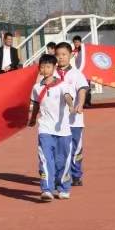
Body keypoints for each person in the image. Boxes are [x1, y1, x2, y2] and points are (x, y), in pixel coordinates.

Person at [28, 54, 75, 201]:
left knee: (62, 161)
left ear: (54, 67)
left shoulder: (62, 85)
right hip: (45, 129)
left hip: (63, 130)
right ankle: (47, 190)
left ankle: (63, 189)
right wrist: (33, 119)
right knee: (45, 159)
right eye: (42, 67)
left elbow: (67, 96)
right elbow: (36, 104)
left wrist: (71, 105)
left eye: (48, 67)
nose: (45, 69)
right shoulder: (37, 87)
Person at [54, 42, 90, 187]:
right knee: (59, 149)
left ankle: (76, 175)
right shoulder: (52, 74)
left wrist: (80, 104)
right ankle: (60, 175)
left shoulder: (76, 74)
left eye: (64, 54)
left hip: (74, 119)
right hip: (57, 121)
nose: (61, 57)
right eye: (58, 55)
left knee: (75, 148)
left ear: (71, 55)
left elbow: (82, 90)